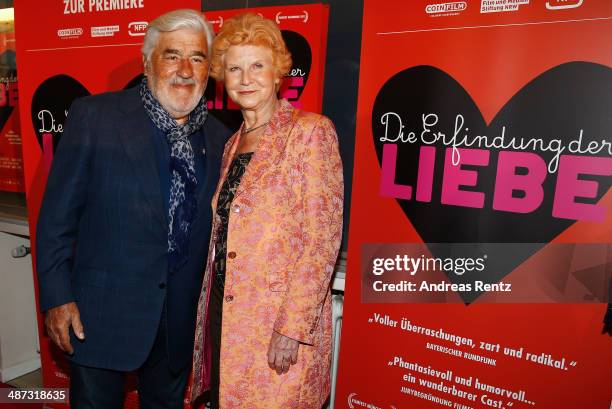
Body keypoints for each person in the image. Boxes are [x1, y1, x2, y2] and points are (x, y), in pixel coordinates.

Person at [36, 9, 231, 409]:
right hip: (99, 314)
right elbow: (57, 218)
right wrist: (57, 298)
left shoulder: (221, 138)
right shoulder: (95, 116)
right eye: (171, 55)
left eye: (197, 58)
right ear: (147, 62)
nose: (184, 69)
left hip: (176, 320)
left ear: (209, 69)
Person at [191, 12, 344, 409]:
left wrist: (292, 329)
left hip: (278, 322)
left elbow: (322, 239)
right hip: (226, 316)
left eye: (257, 65)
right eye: (235, 68)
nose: (246, 78)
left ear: (278, 71)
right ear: (223, 77)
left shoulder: (310, 132)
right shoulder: (232, 144)